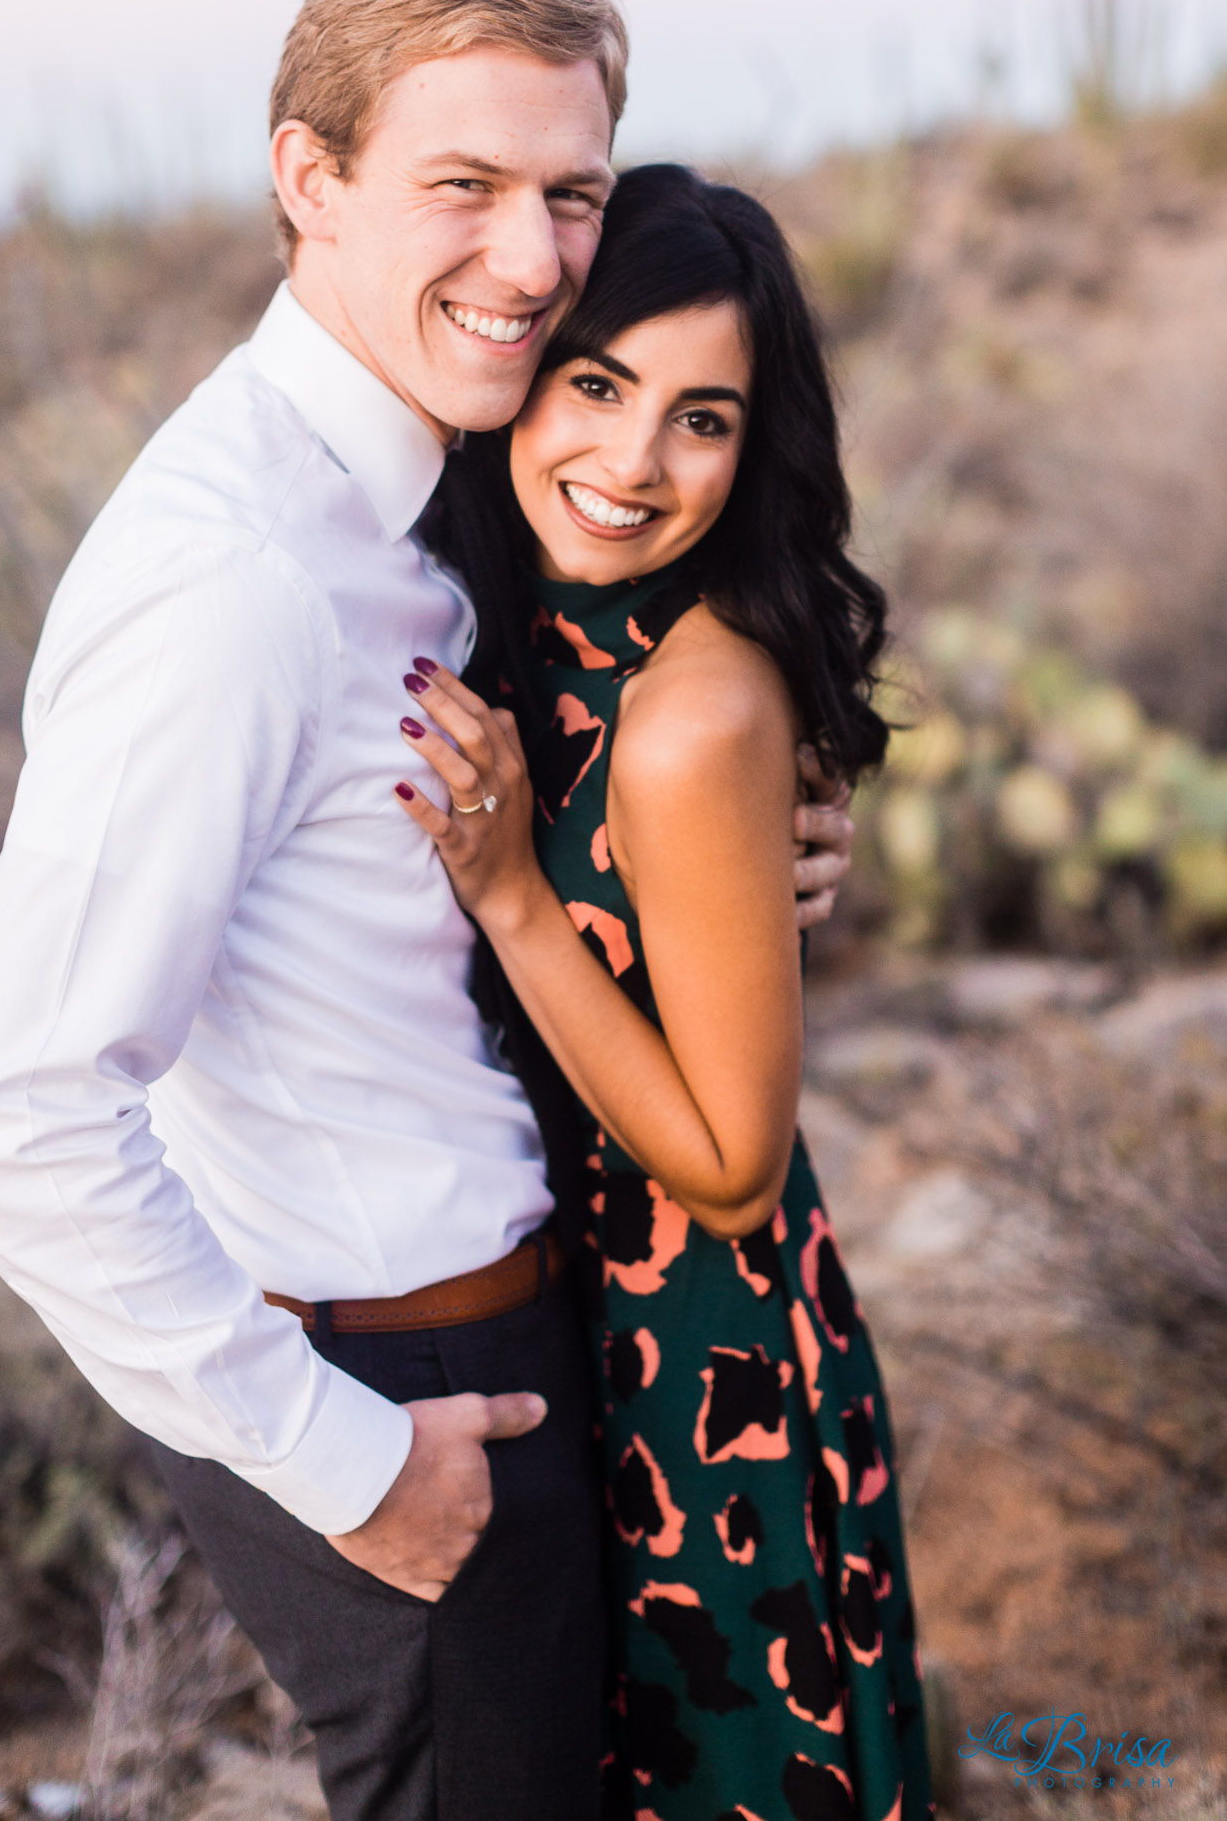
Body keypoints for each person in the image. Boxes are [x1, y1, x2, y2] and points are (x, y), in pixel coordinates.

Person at [0, 0, 854, 1821]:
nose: (531, 263)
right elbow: (11, 1116)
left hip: (513, 1314)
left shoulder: (425, 478)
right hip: (408, 1382)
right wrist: (347, 1463)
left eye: (570, 194)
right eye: (464, 187)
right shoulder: (237, 577)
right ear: (308, 178)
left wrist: (741, 867)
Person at [394, 163, 932, 1821]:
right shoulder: (522, 620)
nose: (630, 465)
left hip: (699, 1375)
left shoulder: (690, 707)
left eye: (703, 420)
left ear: (754, 448)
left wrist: (509, 898)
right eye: (597, 384)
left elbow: (727, 1166)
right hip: (564, 1317)